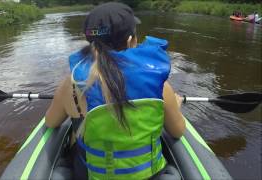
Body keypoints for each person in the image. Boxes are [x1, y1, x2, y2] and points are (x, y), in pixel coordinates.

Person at [45, 2, 185, 180]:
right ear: (130, 40)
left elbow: (50, 122)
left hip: (91, 175)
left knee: (75, 136)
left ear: (90, 41)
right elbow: (178, 131)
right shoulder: (160, 87)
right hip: (150, 175)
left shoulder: (71, 85)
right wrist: (175, 105)